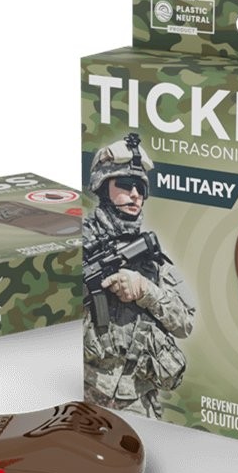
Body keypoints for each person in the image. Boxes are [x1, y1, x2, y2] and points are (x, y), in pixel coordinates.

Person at [83, 133, 195, 418]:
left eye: (141, 188)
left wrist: (145, 290)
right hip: (83, 389)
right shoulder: (77, 242)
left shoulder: (150, 254)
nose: (135, 194)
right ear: (102, 186)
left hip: (137, 400)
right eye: (125, 184)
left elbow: (185, 323)